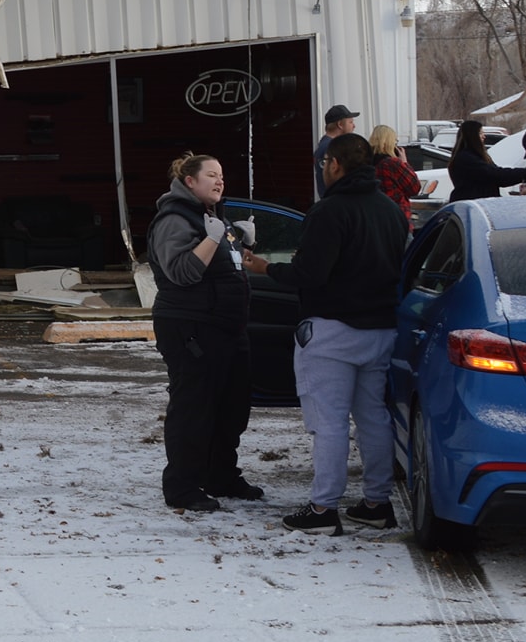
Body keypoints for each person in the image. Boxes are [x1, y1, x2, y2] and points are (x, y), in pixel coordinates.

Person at [242, 133, 405, 535]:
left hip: (333, 330)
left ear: (334, 164)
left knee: (328, 423)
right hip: (382, 329)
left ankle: (323, 509)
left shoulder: (329, 211)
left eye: (324, 164)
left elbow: (309, 274)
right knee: (373, 418)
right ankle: (376, 503)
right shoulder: (391, 211)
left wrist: (265, 268)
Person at [146, 152, 261, 512]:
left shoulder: (210, 217)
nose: (219, 180)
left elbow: (225, 270)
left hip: (224, 327)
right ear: (190, 181)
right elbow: (182, 272)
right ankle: (182, 485)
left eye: (222, 175)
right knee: (193, 408)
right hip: (190, 326)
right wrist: (213, 240)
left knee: (231, 405)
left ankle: (220, 475)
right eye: (211, 174)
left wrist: (242, 244)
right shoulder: (174, 219)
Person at [447, 119, 526, 201]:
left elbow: (498, 175)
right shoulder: (466, 158)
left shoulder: (474, 156)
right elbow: (495, 175)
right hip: (473, 205)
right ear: (472, 136)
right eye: (480, 133)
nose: (484, 136)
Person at [368, 124, 422, 229]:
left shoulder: (367, 163)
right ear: (389, 143)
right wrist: (405, 163)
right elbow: (414, 188)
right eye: (395, 141)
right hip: (398, 220)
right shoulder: (392, 163)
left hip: (375, 220)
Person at [314, 104, 360, 198]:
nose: (354, 126)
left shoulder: (324, 145)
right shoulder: (331, 147)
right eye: (350, 122)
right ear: (340, 124)